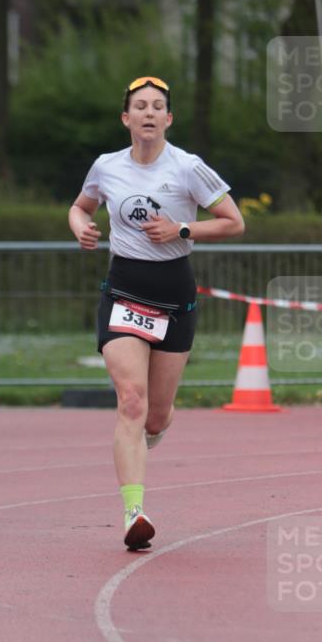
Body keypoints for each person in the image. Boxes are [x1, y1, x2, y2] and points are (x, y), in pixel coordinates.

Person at [68, 76, 244, 549]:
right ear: (126, 118)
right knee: (131, 400)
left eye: (157, 106)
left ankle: (149, 435)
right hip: (124, 292)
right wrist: (81, 227)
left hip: (174, 298)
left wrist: (182, 229)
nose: (149, 112)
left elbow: (234, 222)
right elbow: (80, 207)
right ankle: (134, 513)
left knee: (155, 417)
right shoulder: (106, 166)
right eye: (140, 106)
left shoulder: (188, 167)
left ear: (169, 118)